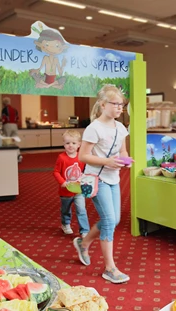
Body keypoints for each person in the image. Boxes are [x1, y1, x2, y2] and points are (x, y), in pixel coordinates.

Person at [73, 84, 133, 284]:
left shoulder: (120, 127)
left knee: (114, 220)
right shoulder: (94, 128)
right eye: (115, 104)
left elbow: (123, 151)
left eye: (121, 105)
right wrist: (108, 161)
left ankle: (84, 243)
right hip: (96, 179)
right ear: (102, 105)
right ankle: (110, 268)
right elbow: (83, 156)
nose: (119, 108)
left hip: (114, 178)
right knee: (109, 221)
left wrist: (125, 160)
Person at [53, 130, 90, 237]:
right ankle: (66, 223)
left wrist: (84, 179)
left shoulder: (81, 157)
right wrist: (62, 182)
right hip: (65, 190)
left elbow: (84, 171)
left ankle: (84, 230)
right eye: (67, 143)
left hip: (78, 190)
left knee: (81, 210)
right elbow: (56, 172)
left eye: (73, 143)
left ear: (79, 145)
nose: (70, 146)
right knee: (65, 210)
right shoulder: (61, 158)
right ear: (64, 144)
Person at [1, 97, 22, 161]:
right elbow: (17, 119)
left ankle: (9, 157)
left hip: (7, 125)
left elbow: (3, 119)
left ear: (4, 103)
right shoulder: (15, 109)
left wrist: (0, 122)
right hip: (15, 126)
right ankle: (18, 156)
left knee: (7, 141)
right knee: (14, 141)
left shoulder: (4, 109)